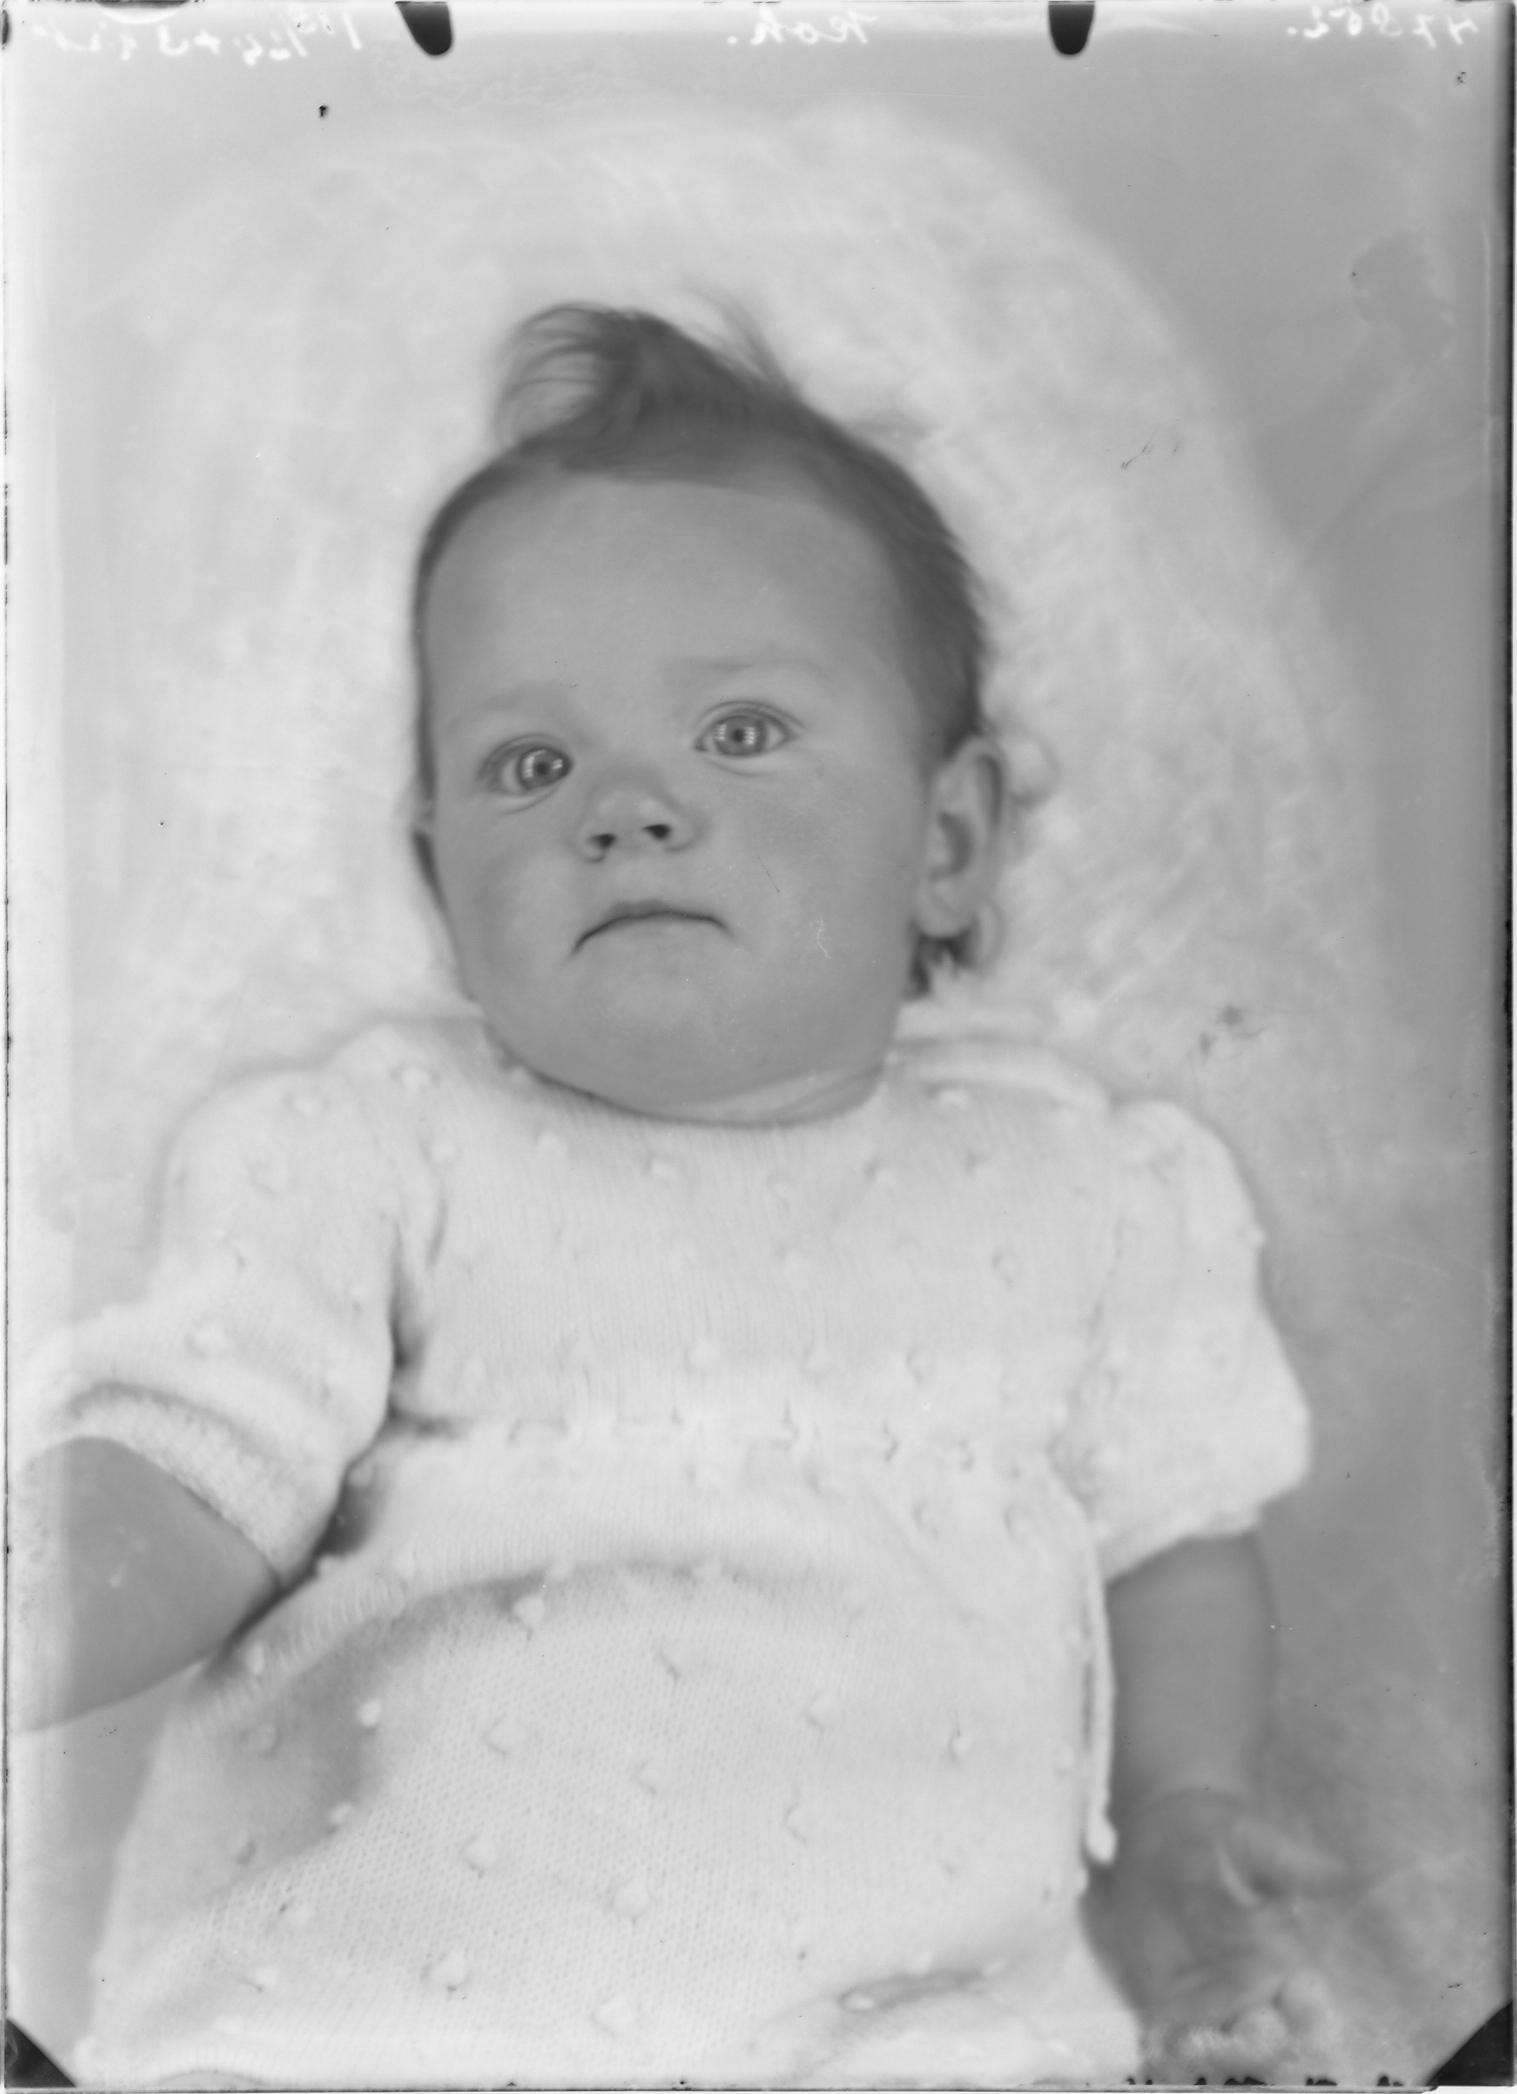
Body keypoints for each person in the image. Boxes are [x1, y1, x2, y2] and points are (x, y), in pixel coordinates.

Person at [13, 306, 1335, 2089]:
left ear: (948, 841)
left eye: (740, 729)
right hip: (372, 2016)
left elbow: (1170, 1536)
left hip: (907, 2029)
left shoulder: (1087, 1194)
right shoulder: (370, 1149)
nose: (627, 808)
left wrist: (1181, 1818)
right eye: (530, 764)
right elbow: (195, 1463)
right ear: (438, 880)